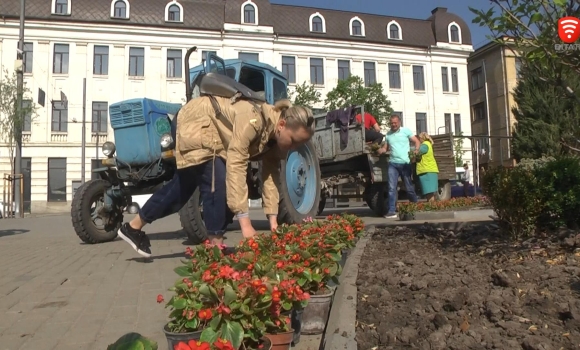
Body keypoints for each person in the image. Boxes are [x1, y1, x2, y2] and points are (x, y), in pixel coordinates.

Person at [117, 92, 315, 257]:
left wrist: (273, 223)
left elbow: (270, 178)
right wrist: (245, 223)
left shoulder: (275, 138)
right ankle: (215, 245)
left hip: (210, 129)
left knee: (181, 189)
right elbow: (237, 164)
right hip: (197, 117)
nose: (294, 148)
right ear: (282, 126)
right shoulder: (253, 119)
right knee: (216, 177)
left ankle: (133, 228)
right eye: (294, 140)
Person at [376, 115, 421, 218]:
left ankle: (415, 205)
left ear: (399, 122)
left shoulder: (406, 131)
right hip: (393, 164)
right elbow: (385, 148)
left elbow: (417, 141)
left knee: (408, 186)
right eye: (392, 123)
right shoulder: (388, 134)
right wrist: (381, 150)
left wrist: (416, 150)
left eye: (395, 122)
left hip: (405, 163)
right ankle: (391, 211)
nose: (393, 124)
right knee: (391, 188)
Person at [416, 132, 439, 202]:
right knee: (430, 192)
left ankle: (431, 207)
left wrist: (413, 151)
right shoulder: (428, 144)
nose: (418, 140)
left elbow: (418, 152)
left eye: (419, 138)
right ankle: (431, 206)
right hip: (430, 170)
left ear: (422, 138)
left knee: (429, 192)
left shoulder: (424, 145)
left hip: (427, 170)